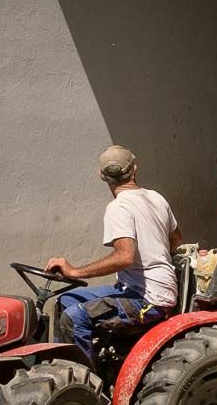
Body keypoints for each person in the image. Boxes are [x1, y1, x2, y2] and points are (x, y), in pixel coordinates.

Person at [46, 145, 182, 364]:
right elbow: (176, 241)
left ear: (101, 176)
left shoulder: (118, 208)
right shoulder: (157, 198)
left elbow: (124, 257)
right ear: (134, 169)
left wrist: (74, 271)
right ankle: (95, 361)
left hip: (149, 299)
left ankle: (84, 384)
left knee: (74, 317)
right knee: (65, 300)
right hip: (134, 289)